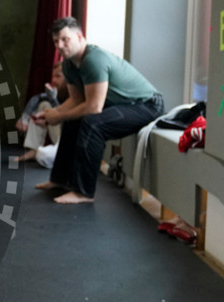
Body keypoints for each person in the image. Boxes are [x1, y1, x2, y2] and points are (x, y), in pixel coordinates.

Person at [34, 17, 163, 204]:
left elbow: (93, 107)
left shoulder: (93, 60)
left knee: (93, 124)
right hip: (123, 106)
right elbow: (77, 100)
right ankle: (59, 179)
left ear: (79, 36)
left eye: (65, 39)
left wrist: (58, 116)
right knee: (73, 120)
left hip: (147, 105)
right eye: (56, 41)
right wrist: (50, 115)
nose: (60, 45)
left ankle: (83, 192)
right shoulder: (68, 64)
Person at [15, 62, 67, 165]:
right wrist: (24, 118)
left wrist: (53, 99)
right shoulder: (58, 91)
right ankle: (34, 149)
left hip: (68, 141)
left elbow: (65, 118)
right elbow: (37, 98)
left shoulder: (75, 93)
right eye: (53, 76)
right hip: (58, 135)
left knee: (43, 156)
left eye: (58, 76)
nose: (53, 80)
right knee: (44, 104)